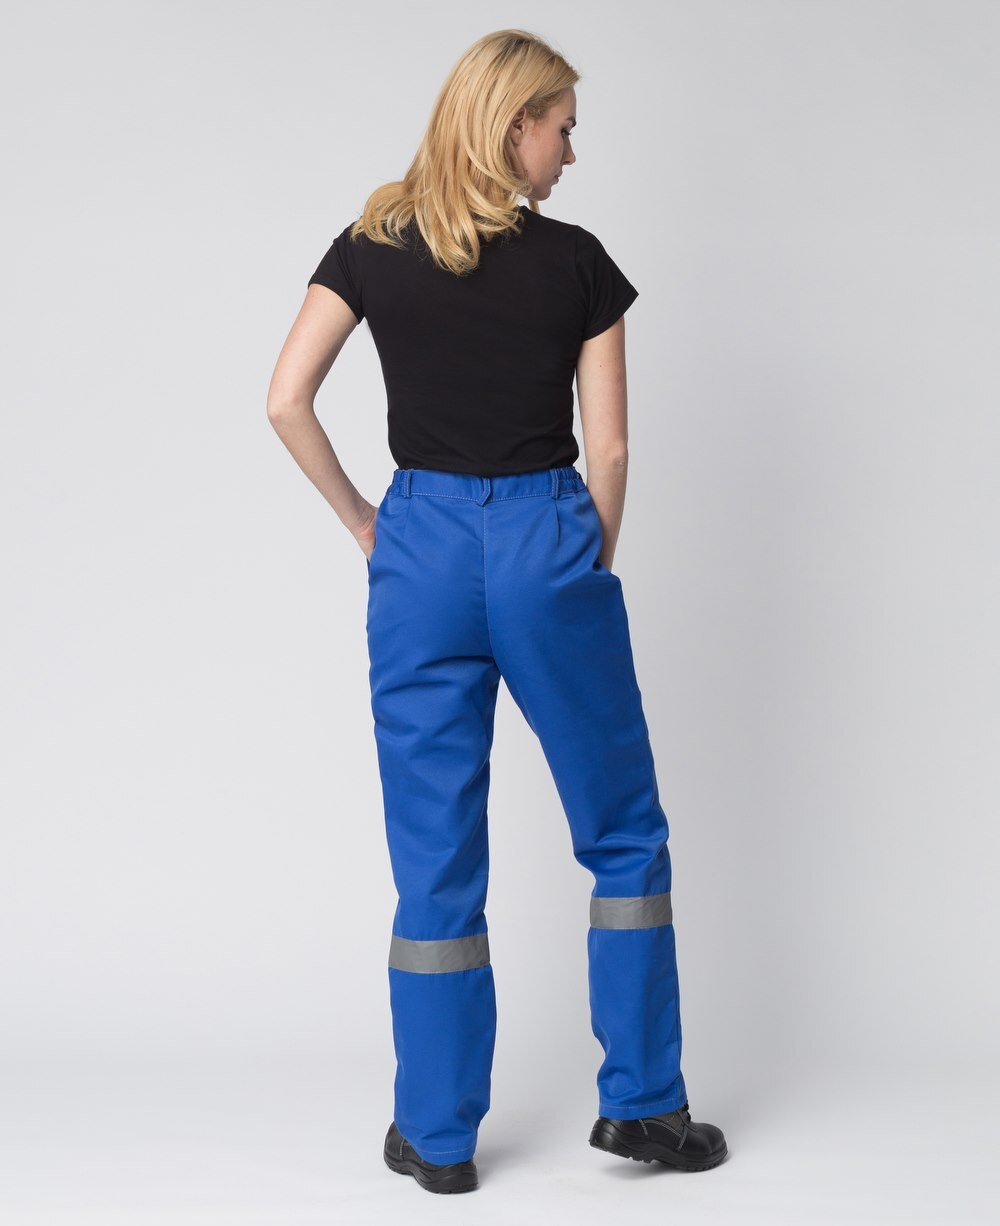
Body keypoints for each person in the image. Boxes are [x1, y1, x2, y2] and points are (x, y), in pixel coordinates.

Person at [266, 28, 728, 1195]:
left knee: (434, 856)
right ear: (513, 123)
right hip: (543, 540)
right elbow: (609, 450)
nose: (571, 151)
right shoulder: (578, 265)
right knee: (622, 831)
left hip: (417, 548)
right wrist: (579, 568)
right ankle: (644, 1104)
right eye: (561, 126)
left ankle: (436, 1135)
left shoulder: (370, 244)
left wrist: (367, 522)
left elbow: (283, 399)